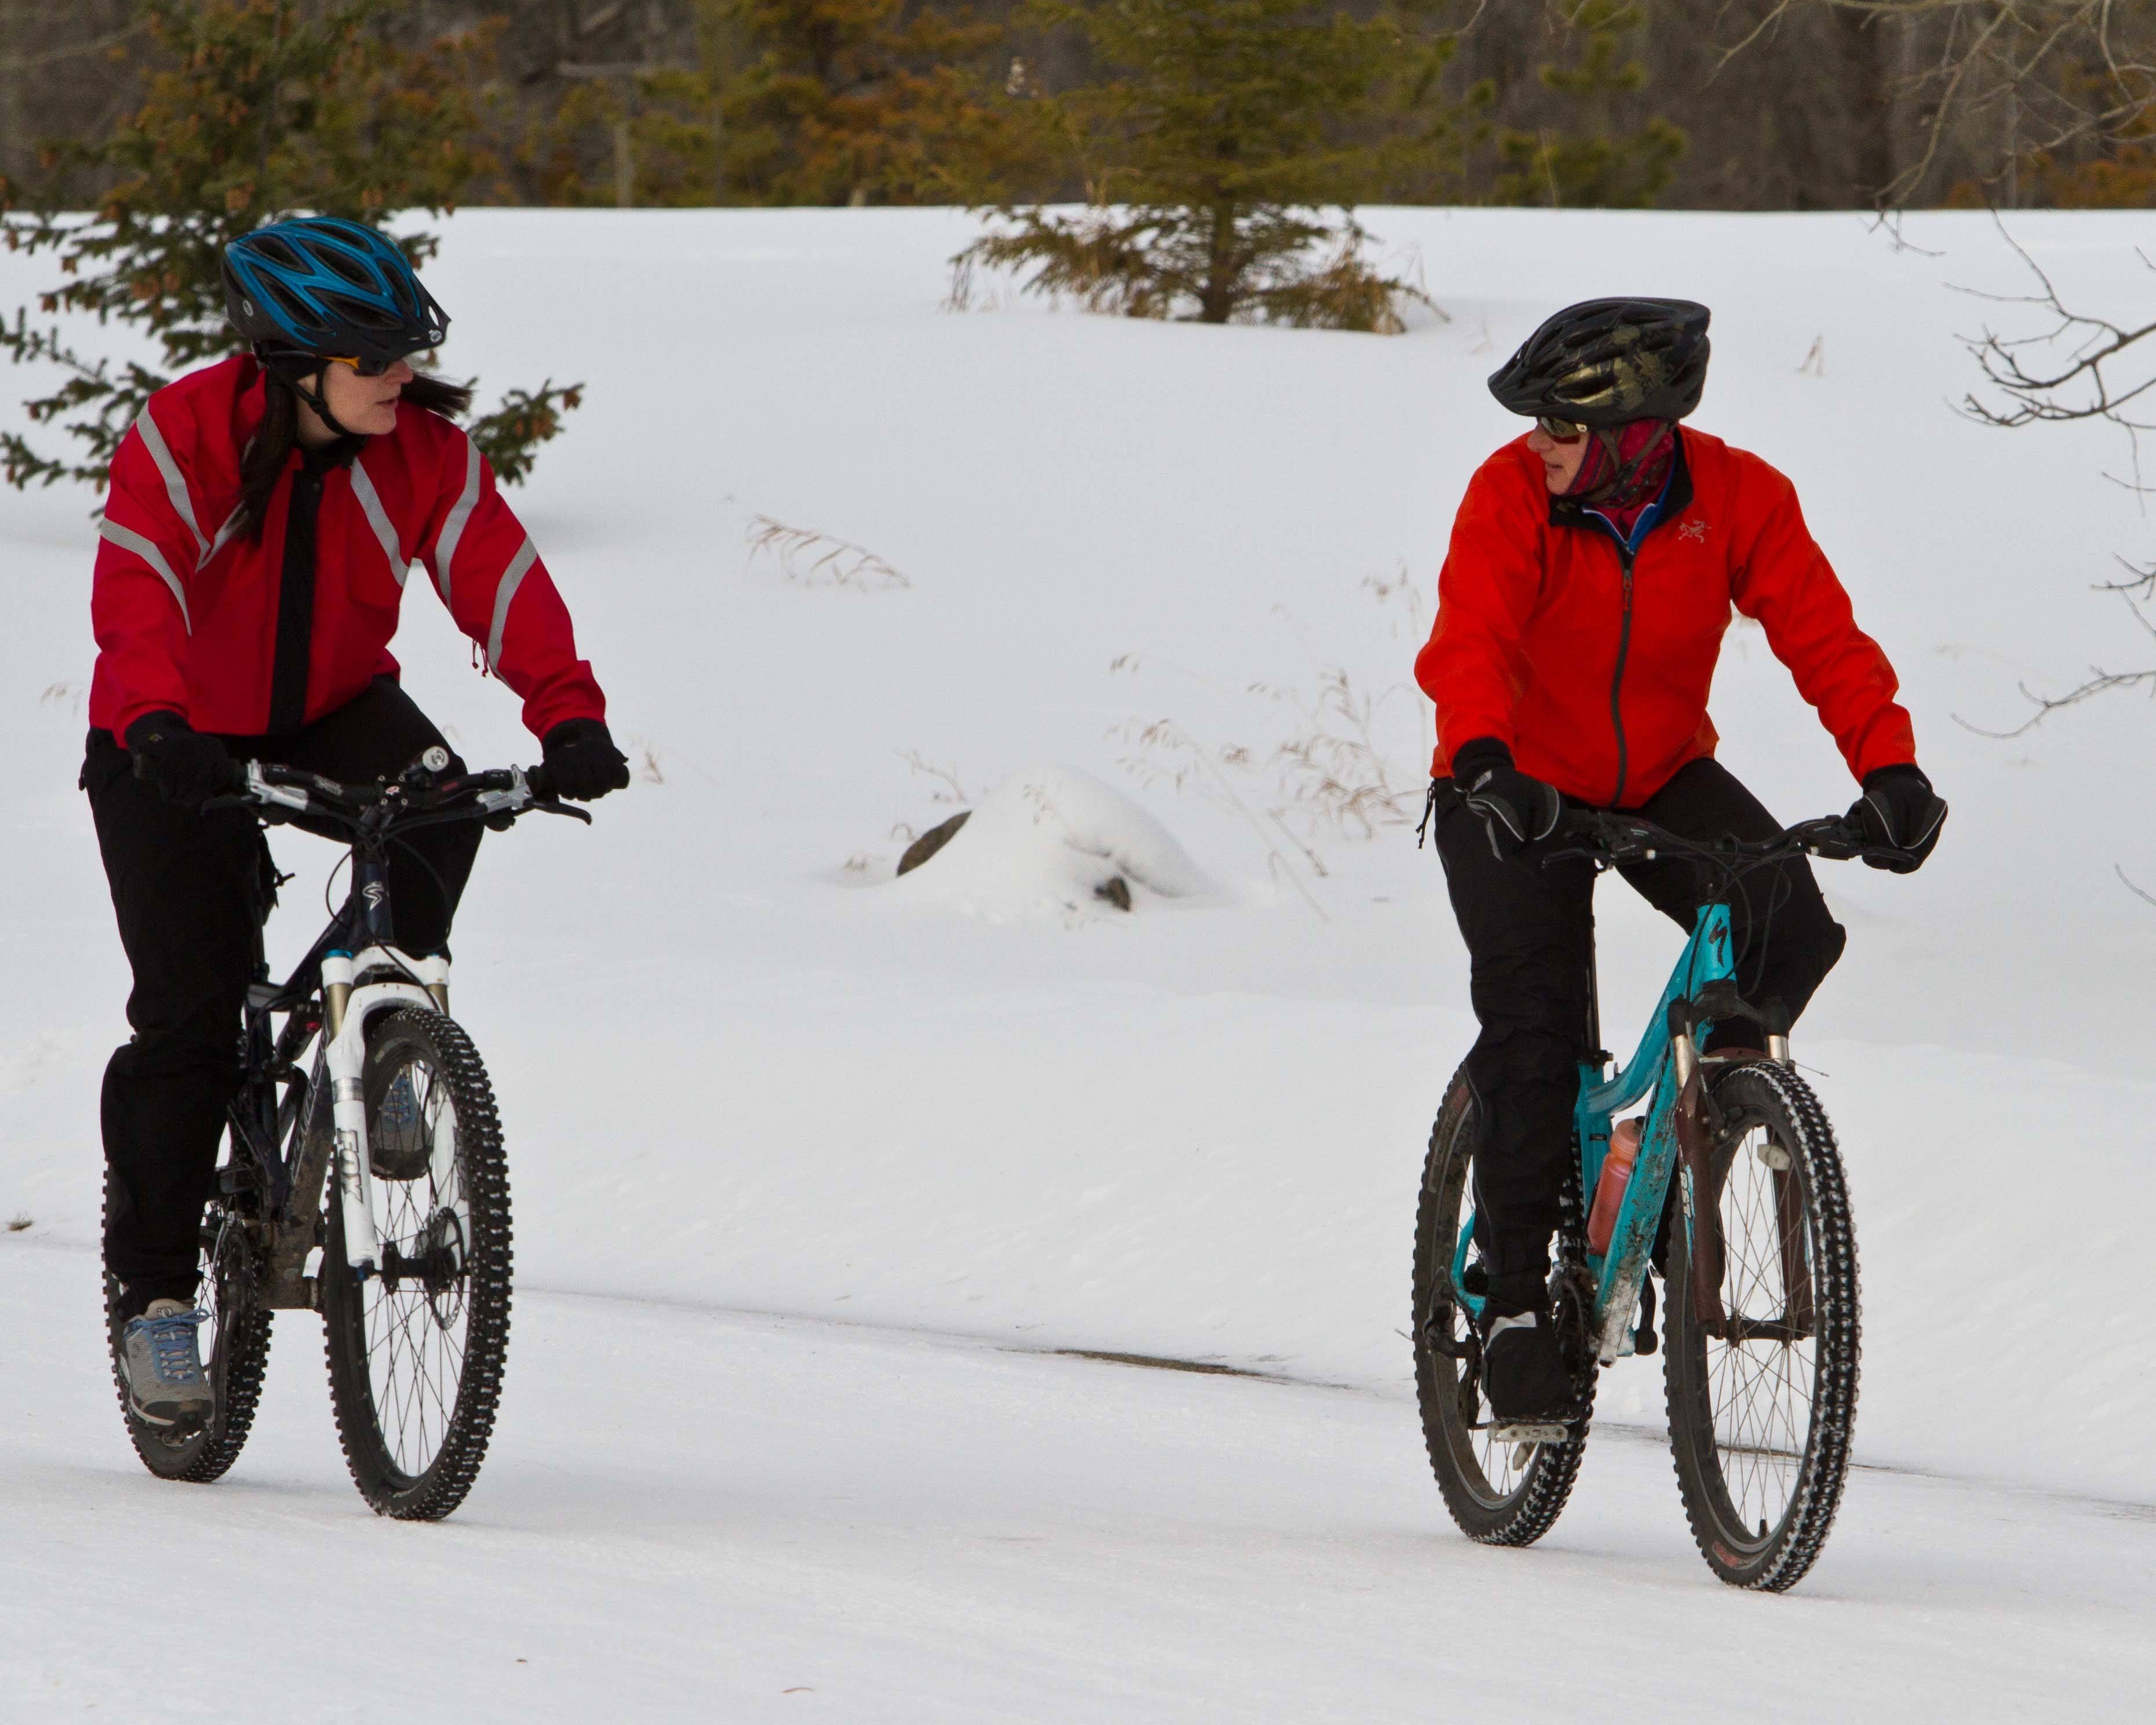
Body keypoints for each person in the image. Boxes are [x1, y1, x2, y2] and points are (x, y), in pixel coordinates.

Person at [87, 216, 631, 1427]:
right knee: (192, 1017)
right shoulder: (183, 438)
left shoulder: (421, 453)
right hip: (166, 730)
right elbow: (136, 594)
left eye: (405, 352)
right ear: (293, 363)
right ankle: (160, 1299)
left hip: (332, 705)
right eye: (373, 355)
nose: (401, 376)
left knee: (445, 807)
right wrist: (157, 725)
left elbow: (499, 576)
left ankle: (375, 1023)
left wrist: (569, 717)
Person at [1414, 297, 1945, 1425]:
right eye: (1538, 425)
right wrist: (1487, 761)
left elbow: (1824, 637)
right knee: (1536, 1024)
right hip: (1510, 785)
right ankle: (1514, 1306)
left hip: (1655, 775)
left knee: (1788, 923)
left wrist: (1888, 770)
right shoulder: (1510, 496)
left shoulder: (1738, 498)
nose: (1536, 444)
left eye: (1560, 426)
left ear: (1635, 435)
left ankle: (1693, 1134)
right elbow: (1472, 639)